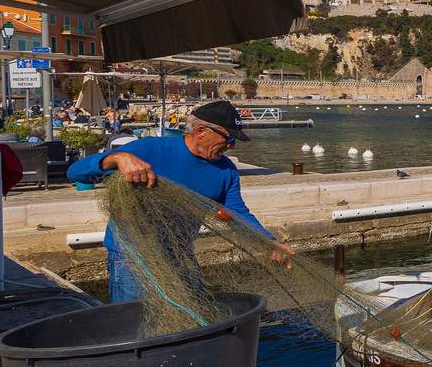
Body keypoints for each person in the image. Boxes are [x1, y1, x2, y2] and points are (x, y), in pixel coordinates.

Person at [68, 100, 290, 303]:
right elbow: (75, 172)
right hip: (131, 258)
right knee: (135, 324)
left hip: (181, 254)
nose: (231, 145)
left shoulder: (226, 169)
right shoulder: (149, 149)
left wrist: (267, 242)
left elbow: (237, 213)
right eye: (228, 138)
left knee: (192, 320)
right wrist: (117, 158)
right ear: (201, 131)